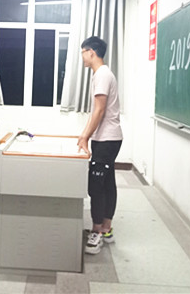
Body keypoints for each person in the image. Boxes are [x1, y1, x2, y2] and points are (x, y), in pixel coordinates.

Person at [77, 36, 123, 255]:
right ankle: (106, 229)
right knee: (107, 183)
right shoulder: (102, 74)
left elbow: (99, 110)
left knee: (96, 186)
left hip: (106, 139)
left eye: (83, 53)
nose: (82, 57)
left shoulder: (102, 75)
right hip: (107, 138)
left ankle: (97, 231)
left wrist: (84, 136)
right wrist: (87, 135)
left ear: (91, 52)